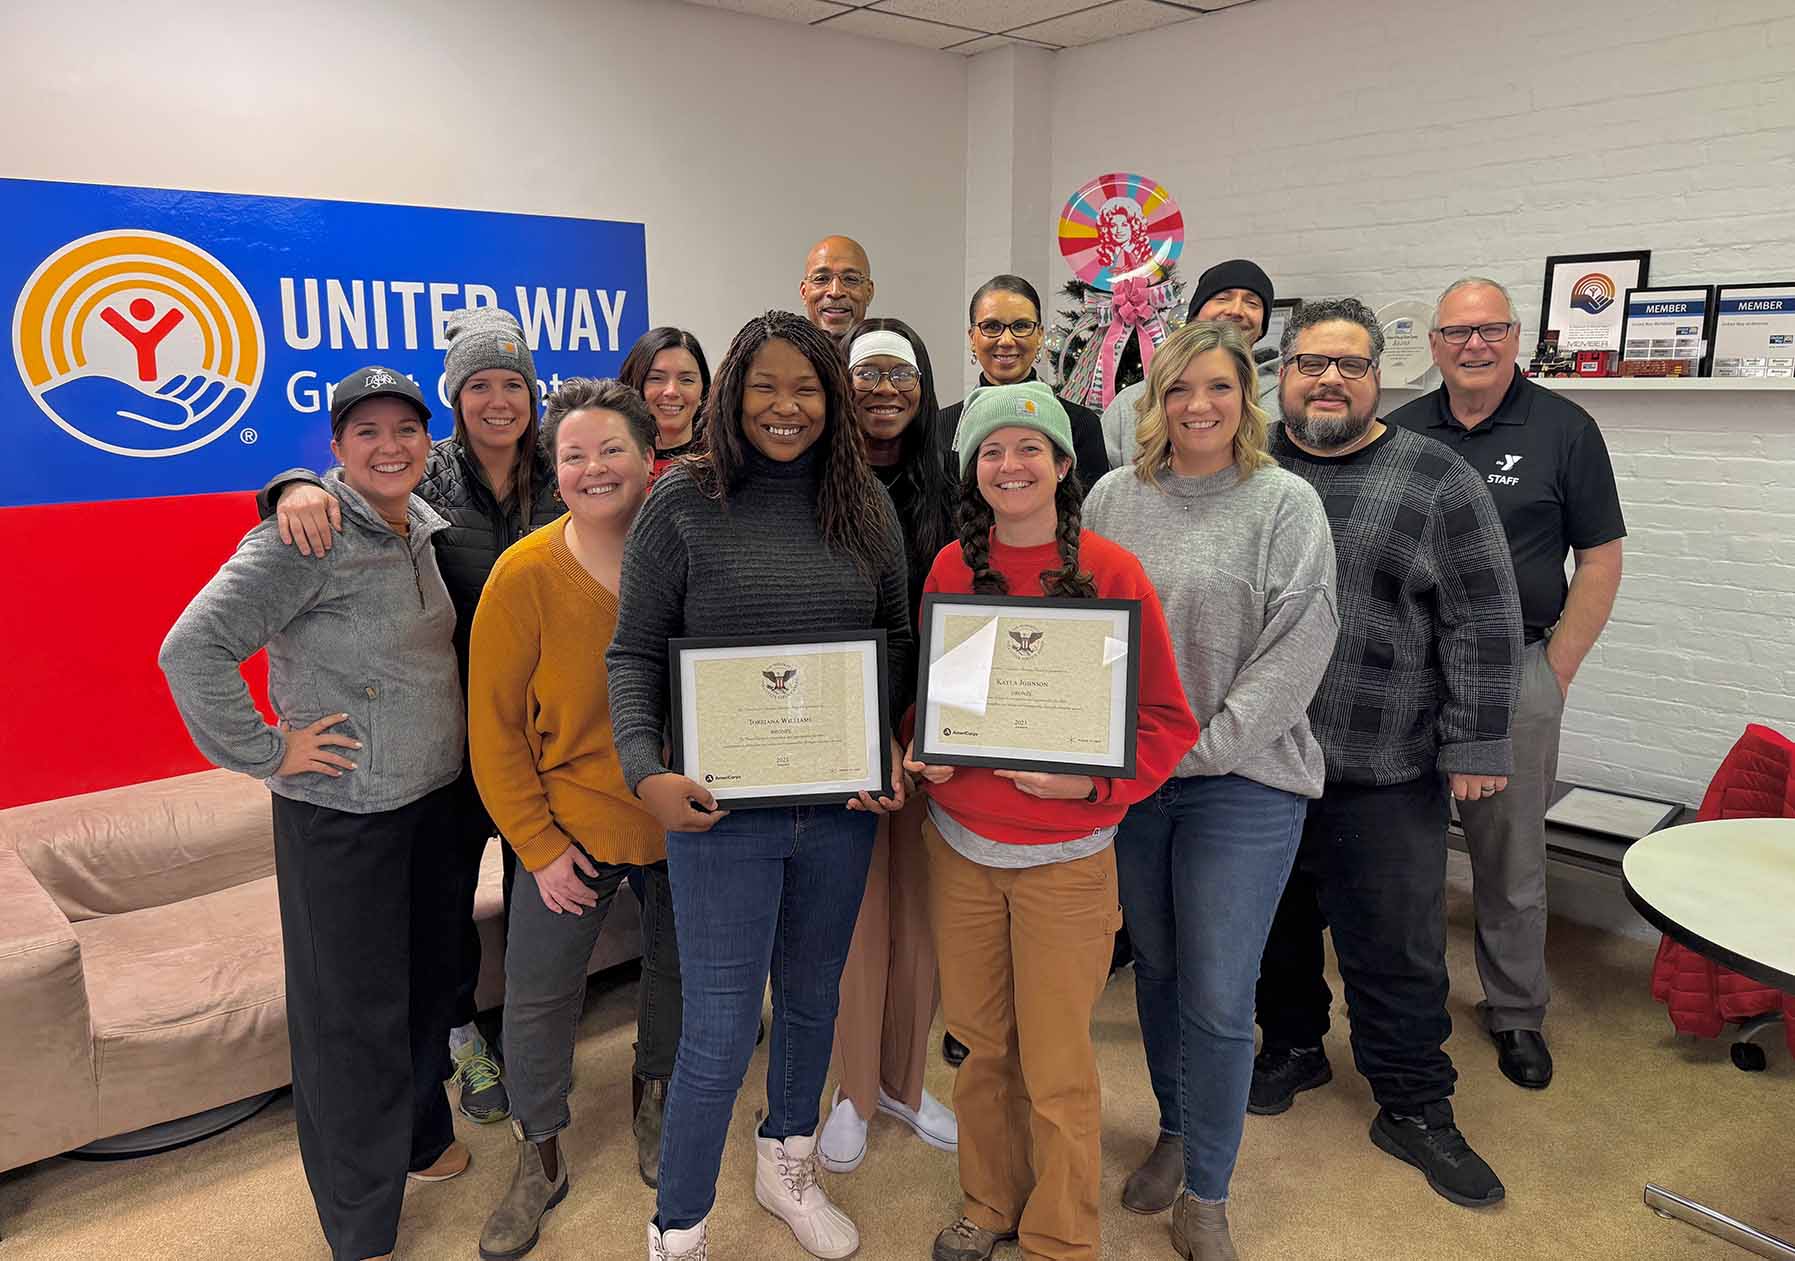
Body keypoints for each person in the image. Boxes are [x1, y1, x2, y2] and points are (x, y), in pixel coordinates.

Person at [606, 311, 914, 1261]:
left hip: (838, 810)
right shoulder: (682, 501)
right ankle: (678, 1224)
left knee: (814, 997)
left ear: (831, 396)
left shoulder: (863, 503)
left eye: (807, 387)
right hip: (717, 815)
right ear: (732, 392)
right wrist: (644, 768)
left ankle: (785, 1160)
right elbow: (631, 655)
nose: (786, 407)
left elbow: (895, 639)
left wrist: (881, 744)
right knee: (721, 1022)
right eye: (764, 386)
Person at [160, 367, 468, 1261]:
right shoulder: (309, 534)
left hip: (427, 803)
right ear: (334, 449)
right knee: (350, 1019)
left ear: (427, 440)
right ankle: (358, 1217)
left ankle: (413, 1138)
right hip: (342, 817)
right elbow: (192, 648)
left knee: (418, 992)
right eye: (365, 431)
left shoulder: (418, 524)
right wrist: (267, 749)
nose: (389, 446)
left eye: (405, 428)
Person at [907, 381, 1200, 1261]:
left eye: (1029, 448)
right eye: (992, 451)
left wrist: (1090, 789)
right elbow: (935, 704)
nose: (1010, 464)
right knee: (980, 1044)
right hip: (959, 847)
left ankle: (1062, 1234)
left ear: (1063, 465)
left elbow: (1165, 721)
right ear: (973, 471)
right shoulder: (951, 569)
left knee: (1058, 1062)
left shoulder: (1112, 573)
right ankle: (988, 1200)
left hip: (1067, 861)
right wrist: (927, 748)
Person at [258, 308, 563, 1126]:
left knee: (541, 893)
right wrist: (287, 486)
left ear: (534, 395)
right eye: (478, 385)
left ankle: (540, 1045)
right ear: (455, 398)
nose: (498, 400)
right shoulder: (427, 481)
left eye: (513, 383)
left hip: (546, 738)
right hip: (449, 740)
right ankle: (462, 1034)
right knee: (444, 906)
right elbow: (351, 489)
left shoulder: (561, 473)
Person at [1252, 298, 1522, 1209]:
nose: (1329, 379)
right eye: (1309, 362)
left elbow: (1483, 620)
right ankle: (1292, 1048)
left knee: (1396, 953)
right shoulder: (1244, 473)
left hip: (1382, 766)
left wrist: (1476, 740)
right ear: (1279, 373)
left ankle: (1412, 1103)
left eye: (1351, 365)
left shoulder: (1436, 479)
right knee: (1271, 936)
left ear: (1379, 379)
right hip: (1258, 764)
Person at [1082, 321, 1337, 1260]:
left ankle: (1209, 1191)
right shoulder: (1112, 498)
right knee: (1154, 968)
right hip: (1138, 786)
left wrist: (1197, 748)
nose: (1198, 406)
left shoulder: (1285, 504)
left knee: (1222, 992)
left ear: (1246, 399)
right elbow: (1087, 631)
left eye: (1219, 388)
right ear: (1153, 401)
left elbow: (1297, 649)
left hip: (1245, 780)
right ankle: (1175, 1128)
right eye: (1179, 388)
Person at [1389, 277, 1626, 1091]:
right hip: (1410, 668)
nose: (1473, 345)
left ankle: (1516, 1010)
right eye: (1455, 332)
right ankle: (1410, 1000)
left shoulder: (1565, 429)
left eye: (1489, 329)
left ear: (1515, 336)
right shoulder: (1400, 429)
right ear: (1433, 345)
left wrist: (1553, 669)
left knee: (1509, 855)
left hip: (1516, 667)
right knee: (1407, 846)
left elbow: (1599, 558)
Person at [469, 379, 685, 1259]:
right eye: (573, 455)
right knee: (537, 992)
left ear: (649, 458)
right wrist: (539, 847)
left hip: (682, 822)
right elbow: (493, 730)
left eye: (612, 450)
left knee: (674, 974)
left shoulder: (686, 555)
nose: (593, 469)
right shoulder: (522, 575)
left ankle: (655, 1095)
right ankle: (540, 1147)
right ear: (552, 469)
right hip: (567, 827)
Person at [815, 319, 960, 1175]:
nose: (883, 389)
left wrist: (926, 730)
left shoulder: (952, 489)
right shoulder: (811, 487)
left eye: (899, 374)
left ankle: (906, 1079)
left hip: (935, 738)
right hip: (843, 733)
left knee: (921, 917)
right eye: (865, 373)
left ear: (922, 386)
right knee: (855, 918)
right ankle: (852, 1091)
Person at [937, 275, 1109, 496]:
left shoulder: (1080, 425)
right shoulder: (942, 429)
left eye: (1021, 326)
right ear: (972, 338)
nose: (1007, 341)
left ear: (1039, 336)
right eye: (991, 326)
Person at [1099, 259, 1277, 470]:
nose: (1236, 310)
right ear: (1194, 315)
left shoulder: (1281, 400)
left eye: (1252, 303)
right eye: (1222, 298)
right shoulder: (1129, 403)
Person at [619, 326, 712, 480]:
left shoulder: (722, 468)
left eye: (686, 380)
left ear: (703, 391)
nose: (672, 391)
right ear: (633, 385)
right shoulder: (612, 469)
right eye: (656, 378)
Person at [799, 235, 875, 335]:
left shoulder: (891, 349)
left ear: (869, 292)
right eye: (821, 279)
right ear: (804, 292)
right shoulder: (780, 349)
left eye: (850, 279)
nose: (835, 292)